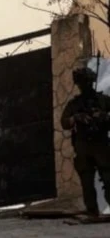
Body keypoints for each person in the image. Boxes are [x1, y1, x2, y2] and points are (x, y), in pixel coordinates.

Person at [60, 58, 110, 218]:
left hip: (101, 145)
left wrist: (103, 116)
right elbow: (64, 122)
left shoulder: (103, 100)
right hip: (83, 147)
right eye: (82, 83)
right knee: (87, 182)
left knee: (108, 179)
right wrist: (77, 118)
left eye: (87, 82)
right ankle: (92, 211)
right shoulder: (75, 104)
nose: (85, 86)